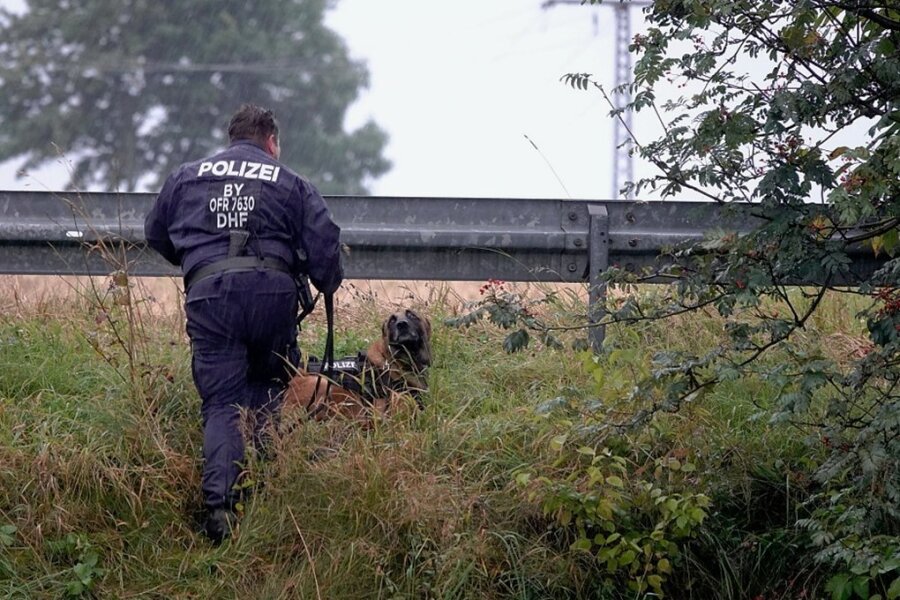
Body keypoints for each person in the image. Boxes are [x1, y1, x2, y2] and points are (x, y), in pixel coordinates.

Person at [144, 104, 343, 543]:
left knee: (222, 402)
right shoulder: (290, 182)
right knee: (273, 386)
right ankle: (267, 497)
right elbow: (326, 246)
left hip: (210, 296)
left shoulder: (186, 177)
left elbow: (156, 233)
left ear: (231, 138)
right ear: (271, 142)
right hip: (272, 295)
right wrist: (324, 279)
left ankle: (221, 513)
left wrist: (200, 259)